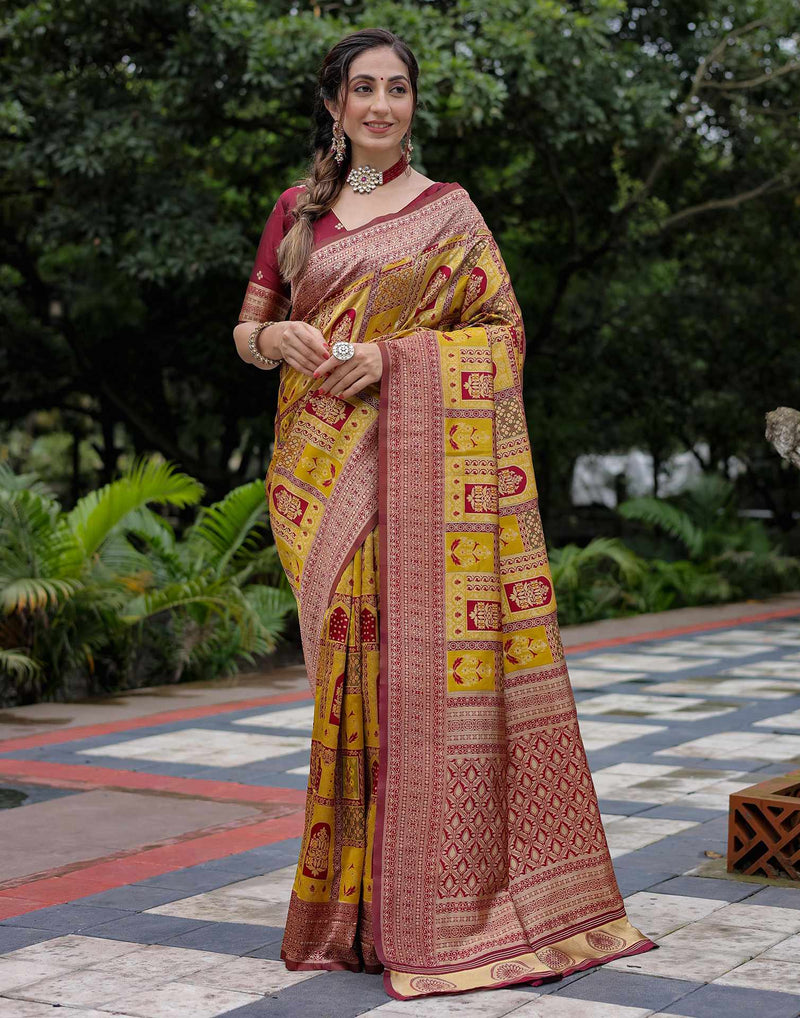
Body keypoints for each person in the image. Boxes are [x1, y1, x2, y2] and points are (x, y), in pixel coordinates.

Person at [232, 26, 655, 1002]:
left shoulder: (449, 213)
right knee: (347, 685)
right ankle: (349, 914)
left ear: (410, 105)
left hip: (418, 469)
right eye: (362, 89)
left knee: (420, 680)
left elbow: (500, 336)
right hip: (316, 475)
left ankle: (426, 910)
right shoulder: (297, 212)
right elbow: (246, 325)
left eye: (397, 89)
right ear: (333, 105)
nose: (381, 105)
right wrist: (276, 341)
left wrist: (393, 360)